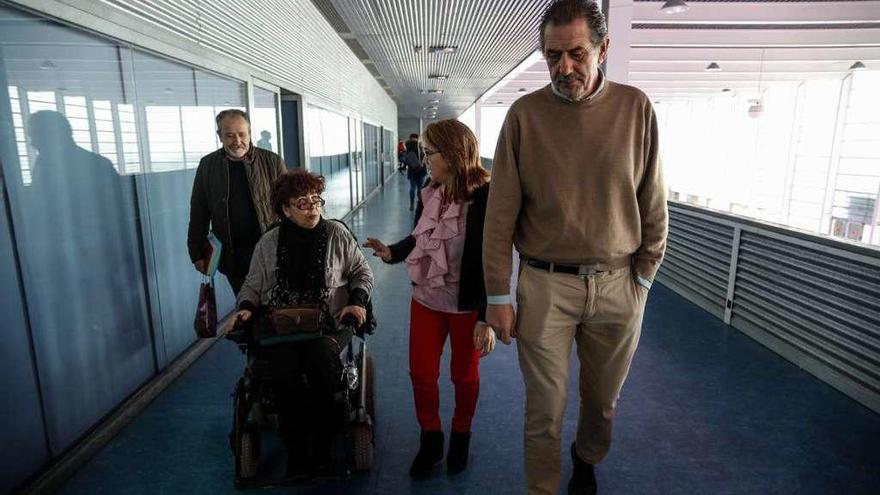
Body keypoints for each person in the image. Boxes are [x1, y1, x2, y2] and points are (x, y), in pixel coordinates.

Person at [482, 1, 668, 494]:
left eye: (577, 54)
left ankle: (587, 457)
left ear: (604, 49)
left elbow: (654, 205)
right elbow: (498, 216)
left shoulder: (635, 109)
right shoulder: (524, 117)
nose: (564, 67)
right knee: (545, 407)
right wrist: (498, 296)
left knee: (602, 400)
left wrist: (643, 280)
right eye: (552, 56)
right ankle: (542, 487)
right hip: (545, 286)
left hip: (618, 285)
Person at [363, 119, 495, 478]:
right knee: (421, 373)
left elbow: (492, 259)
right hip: (427, 299)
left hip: (467, 305)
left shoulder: (486, 196)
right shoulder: (428, 188)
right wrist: (393, 251)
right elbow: (421, 237)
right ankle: (431, 438)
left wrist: (487, 316)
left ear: (452, 155)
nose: (424, 159)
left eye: (429, 152)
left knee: (464, 376)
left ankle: (461, 437)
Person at [227, 168, 373, 476]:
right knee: (282, 369)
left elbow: (362, 272)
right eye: (302, 203)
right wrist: (245, 307)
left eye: (316, 200)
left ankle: (322, 443)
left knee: (321, 360)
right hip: (281, 325)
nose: (312, 208)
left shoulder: (336, 234)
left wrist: (356, 302)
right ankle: (295, 446)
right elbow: (252, 284)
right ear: (285, 209)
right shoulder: (269, 242)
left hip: (330, 322)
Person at [188, 109, 287, 294]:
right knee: (246, 307)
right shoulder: (208, 165)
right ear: (220, 136)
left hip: (272, 253)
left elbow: (290, 205)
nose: (237, 141)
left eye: (242, 134)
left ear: (250, 133)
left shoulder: (272, 162)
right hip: (233, 257)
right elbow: (198, 211)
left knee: (277, 309)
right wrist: (196, 253)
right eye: (230, 136)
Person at [401, 138, 428, 211]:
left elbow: (405, 163)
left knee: (412, 187)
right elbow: (425, 161)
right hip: (421, 172)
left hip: (412, 172)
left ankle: (412, 205)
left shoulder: (408, 152)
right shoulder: (421, 151)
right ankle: (420, 204)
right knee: (420, 188)